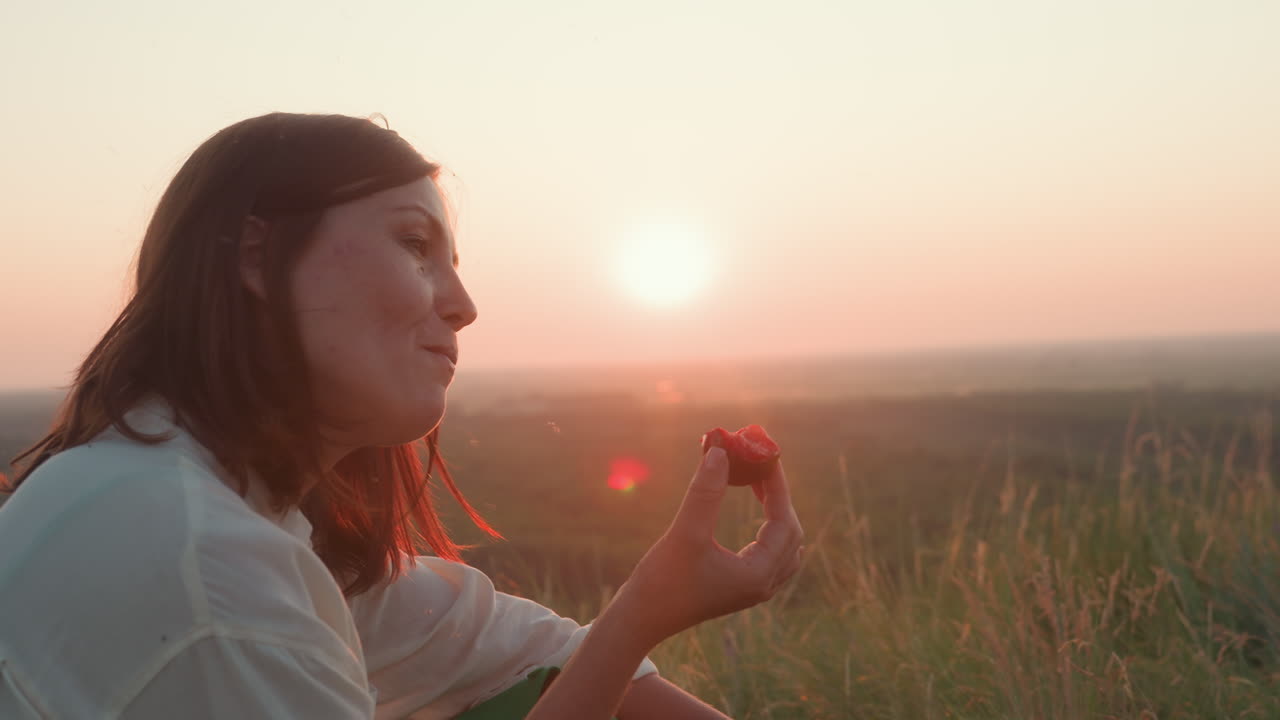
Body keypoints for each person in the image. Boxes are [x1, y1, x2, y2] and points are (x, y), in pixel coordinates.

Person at [0, 112, 806, 719]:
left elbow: (525, 651)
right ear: (253, 257)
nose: (463, 306)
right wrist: (646, 612)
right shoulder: (214, 575)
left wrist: (636, 615)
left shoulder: (211, 505)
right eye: (416, 245)